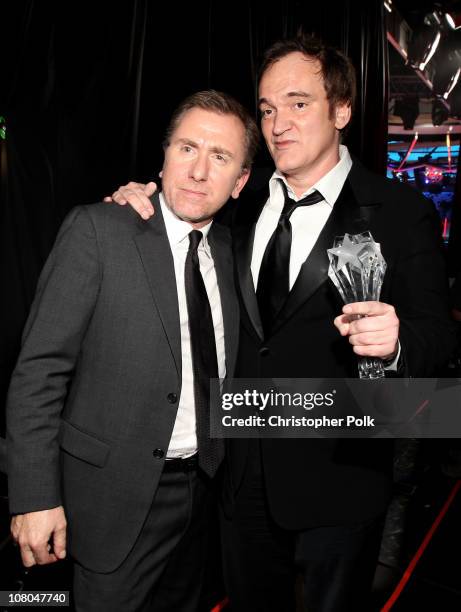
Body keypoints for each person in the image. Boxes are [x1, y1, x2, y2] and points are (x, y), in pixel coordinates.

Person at [107, 35, 455, 611]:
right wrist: (137, 205)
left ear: (341, 110)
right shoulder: (237, 201)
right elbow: (182, 213)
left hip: (340, 482)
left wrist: (397, 345)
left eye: (298, 103)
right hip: (239, 480)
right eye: (268, 109)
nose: (278, 124)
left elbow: (439, 338)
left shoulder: (398, 212)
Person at [6, 90, 258, 611]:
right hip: (111, 497)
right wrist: (34, 496)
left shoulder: (239, 255)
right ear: (163, 157)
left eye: (220, 157)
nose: (198, 171)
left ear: (240, 183)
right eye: (187, 148)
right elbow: (39, 371)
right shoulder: (98, 231)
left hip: (207, 496)